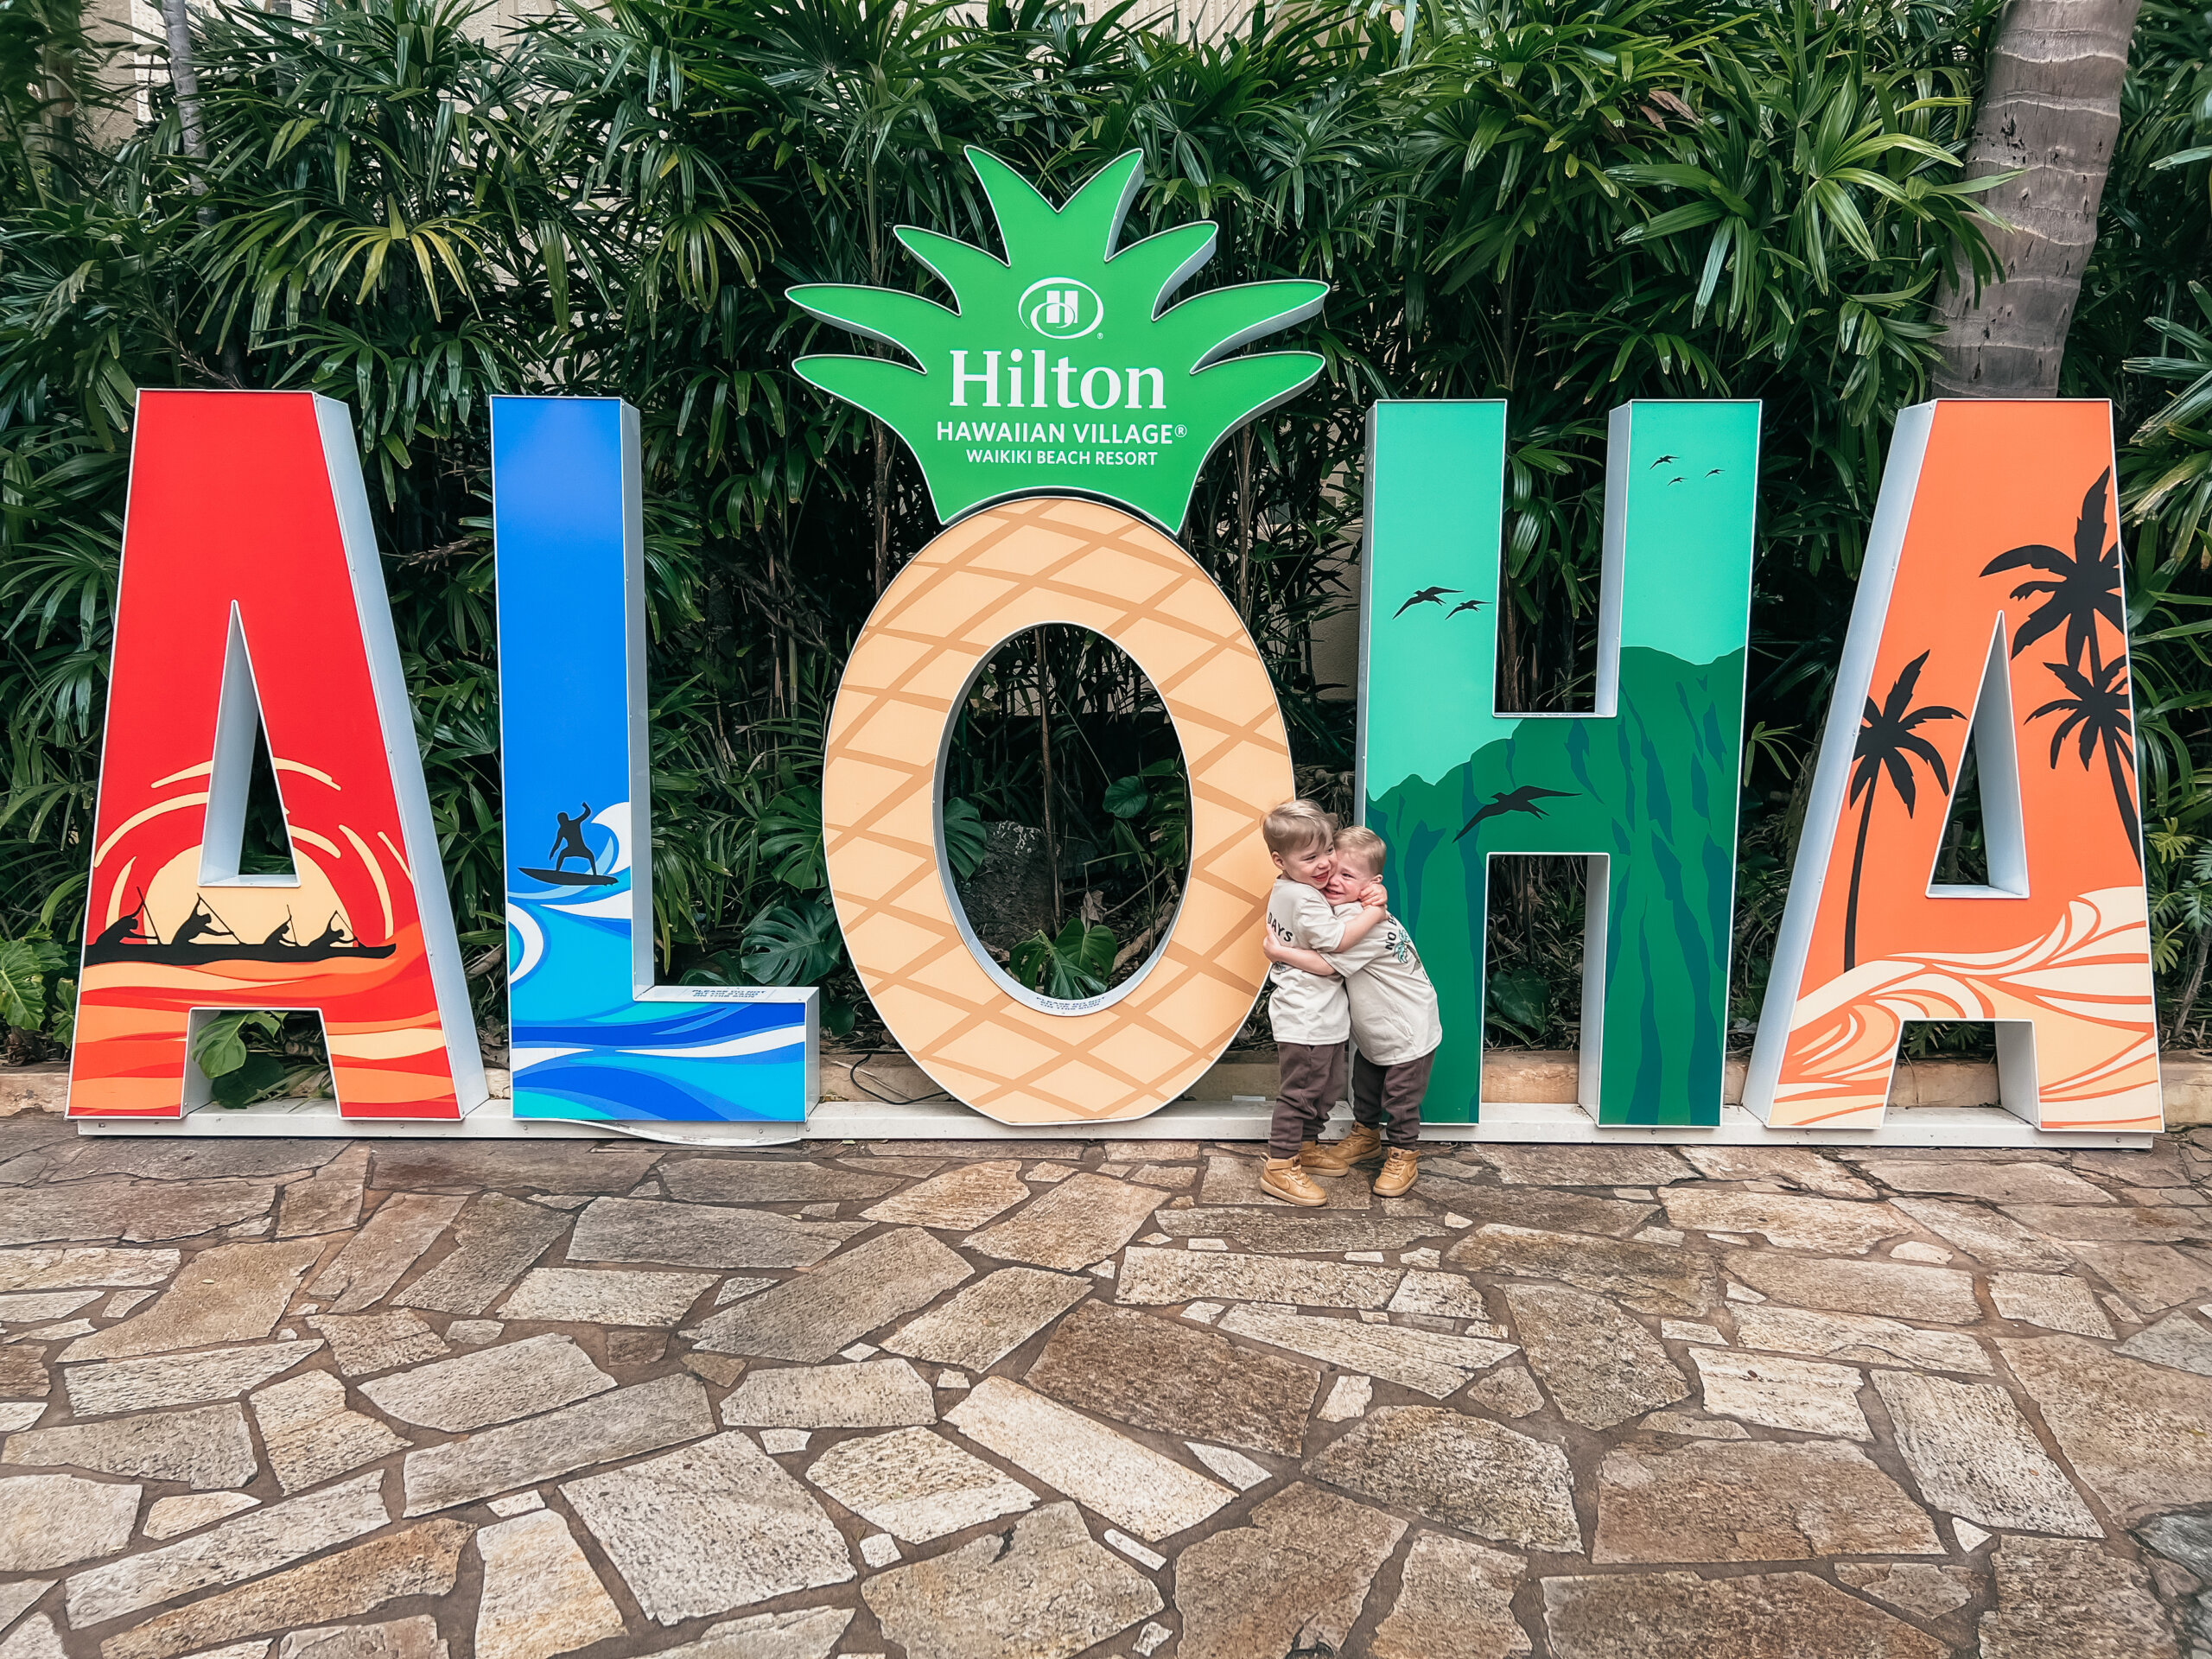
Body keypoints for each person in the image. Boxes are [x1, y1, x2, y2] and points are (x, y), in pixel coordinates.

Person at [1263, 824, 1442, 1197]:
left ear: (1371, 881)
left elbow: (1329, 962)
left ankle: (1404, 1154)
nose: (1333, 879)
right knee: (1367, 1083)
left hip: (1407, 1027)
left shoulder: (1364, 924)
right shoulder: (1354, 910)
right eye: (1332, 868)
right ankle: (1366, 1136)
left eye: (1348, 875)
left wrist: (1279, 952)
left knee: (1401, 1097)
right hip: (1376, 1027)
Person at [1259, 800, 1389, 1205]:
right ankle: (1280, 1165)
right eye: (1310, 857)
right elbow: (1334, 942)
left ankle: (1308, 1145)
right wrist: (1374, 912)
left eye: (1328, 851)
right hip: (1307, 1015)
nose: (1323, 864)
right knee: (1301, 1092)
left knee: (1327, 1086)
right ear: (1280, 860)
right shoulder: (1305, 899)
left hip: (1323, 1013)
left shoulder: (1289, 889)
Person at [549, 804, 597, 874]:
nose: (561, 821)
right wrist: (552, 852)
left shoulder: (574, 823)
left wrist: (585, 806)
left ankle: (595, 874)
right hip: (570, 849)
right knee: (562, 854)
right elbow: (557, 844)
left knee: (591, 856)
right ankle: (557, 871)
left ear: (566, 819)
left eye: (562, 819)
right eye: (559, 819)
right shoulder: (561, 830)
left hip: (581, 849)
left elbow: (587, 813)